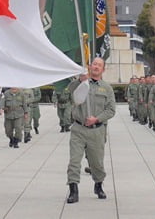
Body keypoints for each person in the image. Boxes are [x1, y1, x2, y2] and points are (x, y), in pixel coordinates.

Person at [66, 57, 115, 204]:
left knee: (96, 163)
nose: (96, 67)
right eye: (94, 64)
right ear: (89, 66)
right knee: (74, 161)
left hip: (96, 130)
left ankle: (98, 185)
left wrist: (97, 119)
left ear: (103, 69)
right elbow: (70, 94)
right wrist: (80, 80)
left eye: (100, 65)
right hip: (79, 129)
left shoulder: (106, 88)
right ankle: (73, 190)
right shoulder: (79, 84)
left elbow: (111, 110)